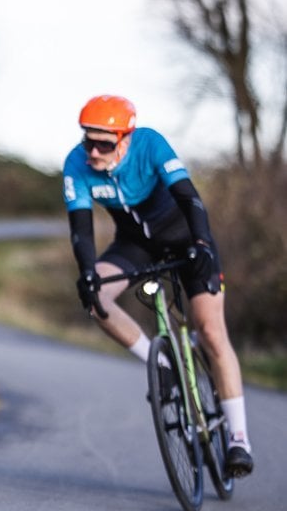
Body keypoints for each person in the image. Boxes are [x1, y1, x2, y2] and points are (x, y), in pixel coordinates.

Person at [62, 94, 254, 476]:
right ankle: (161, 361)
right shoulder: (76, 164)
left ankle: (238, 439)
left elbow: (188, 197)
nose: (93, 151)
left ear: (126, 138)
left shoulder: (150, 143)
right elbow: (80, 229)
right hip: (135, 246)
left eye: (104, 143)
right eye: (88, 141)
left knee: (212, 332)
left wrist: (201, 243)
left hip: (186, 239)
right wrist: (86, 271)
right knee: (95, 296)